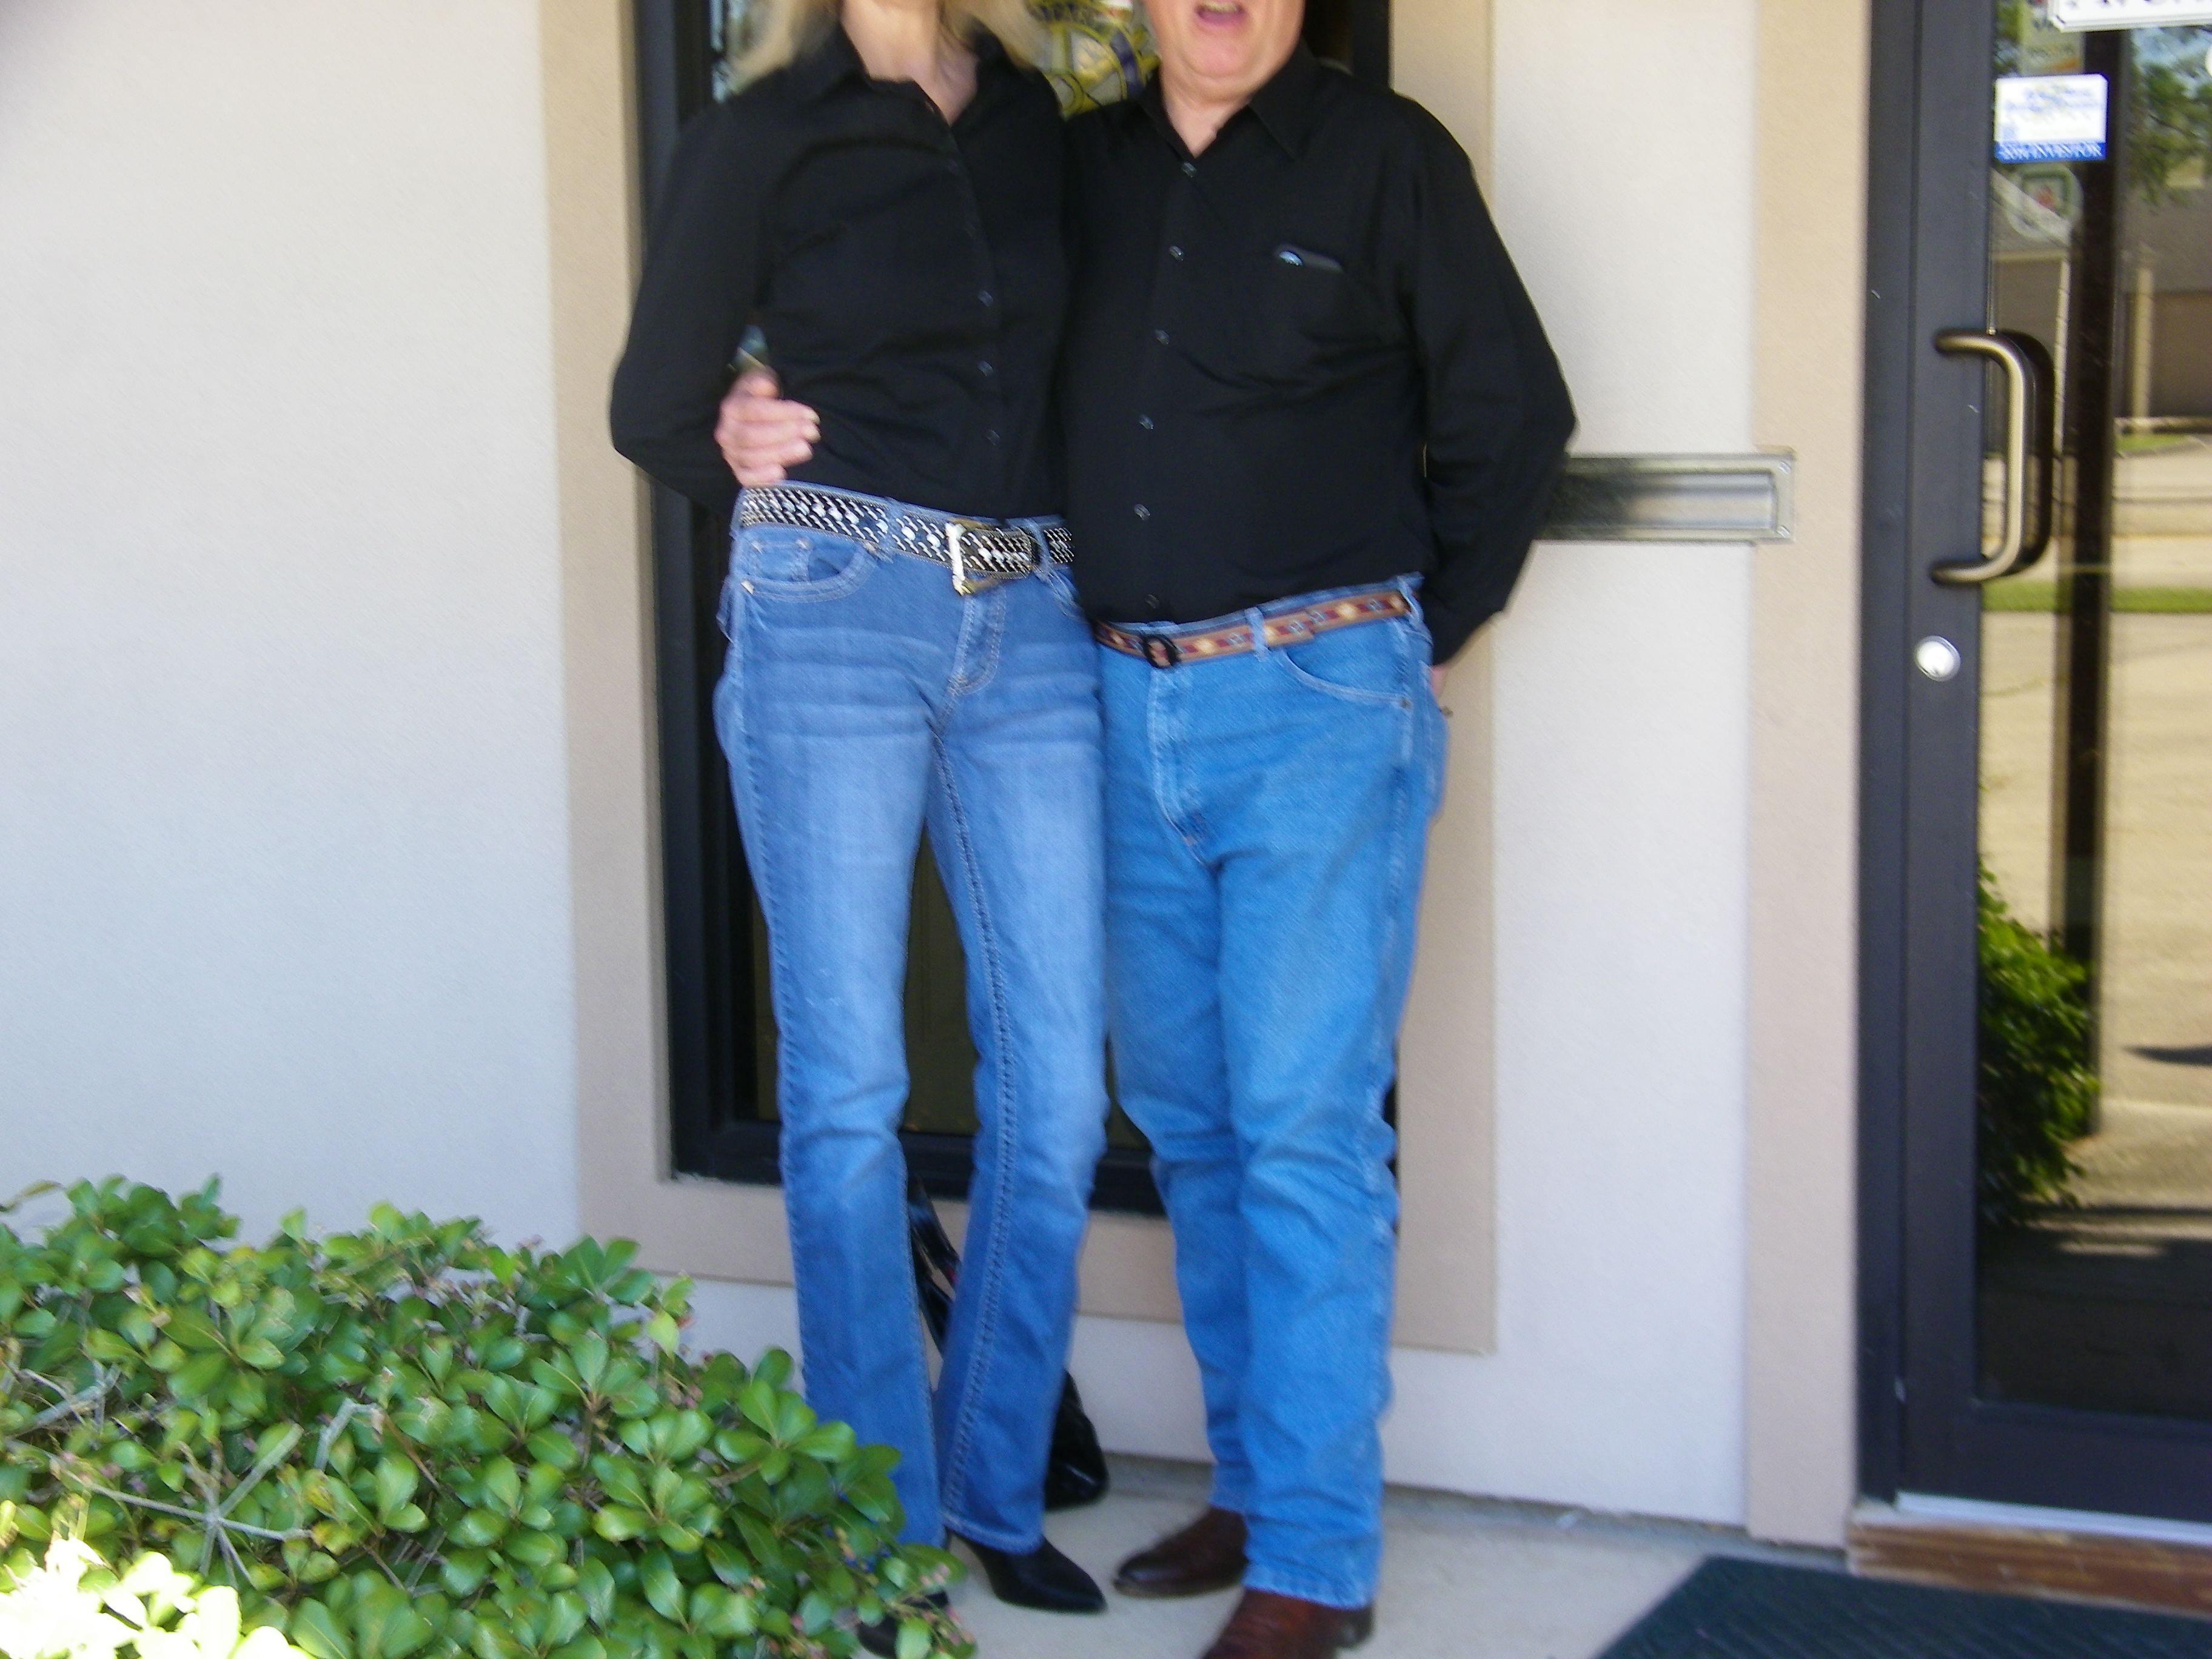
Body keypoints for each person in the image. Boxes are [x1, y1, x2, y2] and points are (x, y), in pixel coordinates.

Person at [721, 0, 1572, 1647]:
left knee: (1304, 1128)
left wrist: (1414, 636)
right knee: (1190, 1123)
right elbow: (944, 321)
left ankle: (1315, 1560)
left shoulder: (1387, 160)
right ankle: (1255, 1481)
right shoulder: (1071, 162)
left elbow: (1513, 418)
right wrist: (754, 391)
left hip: (1317, 699)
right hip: (1106, 699)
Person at [606, 0, 1116, 1632]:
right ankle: (875, 1536)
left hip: (1034, 616)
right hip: (833, 601)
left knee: (1059, 1090)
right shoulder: (758, 136)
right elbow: (652, 408)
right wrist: (733, 428)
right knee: (847, 1094)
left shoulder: (1038, 123)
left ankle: (993, 1489)